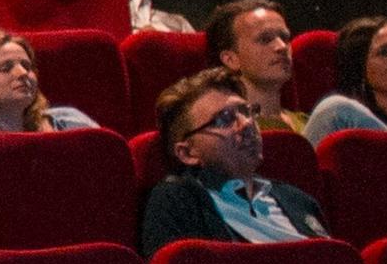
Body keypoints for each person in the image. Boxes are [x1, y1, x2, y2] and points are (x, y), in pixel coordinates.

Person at [134, 77, 324, 247]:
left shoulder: (298, 200)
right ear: (188, 153)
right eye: (224, 119)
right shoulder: (178, 202)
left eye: (246, 111)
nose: (247, 123)